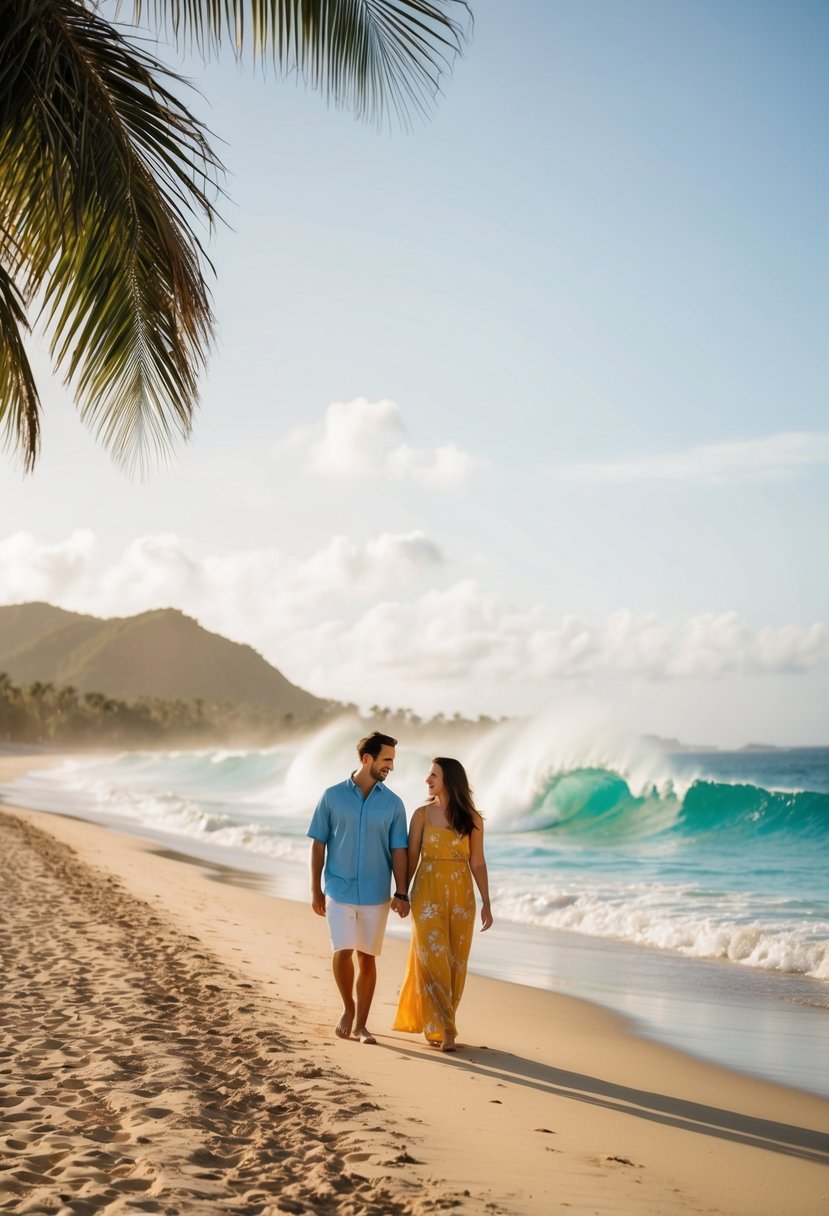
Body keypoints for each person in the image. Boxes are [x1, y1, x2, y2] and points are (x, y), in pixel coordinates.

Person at [308, 731, 410, 1044]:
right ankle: (348, 1008)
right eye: (386, 759)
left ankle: (362, 1025)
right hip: (337, 888)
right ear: (367, 759)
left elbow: (399, 852)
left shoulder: (393, 804)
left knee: (367, 957)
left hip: (376, 893)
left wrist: (402, 892)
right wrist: (315, 889)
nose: (391, 765)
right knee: (342, 950)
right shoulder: (331, 796)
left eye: (392, 759)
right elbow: (318, 843)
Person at [393, 756, 492, 1052]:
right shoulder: (422, 815)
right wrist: (402, 893)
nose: (427, 779)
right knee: (433, 959)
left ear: (449, 779)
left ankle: (442, 1023)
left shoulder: (472, 819)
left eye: (433, 774)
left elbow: (478, 861)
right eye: (428, 774)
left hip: (462, 898)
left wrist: (486, 901)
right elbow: (411, 857)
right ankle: (447, 1030)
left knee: (454, 964)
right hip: (427, 894)